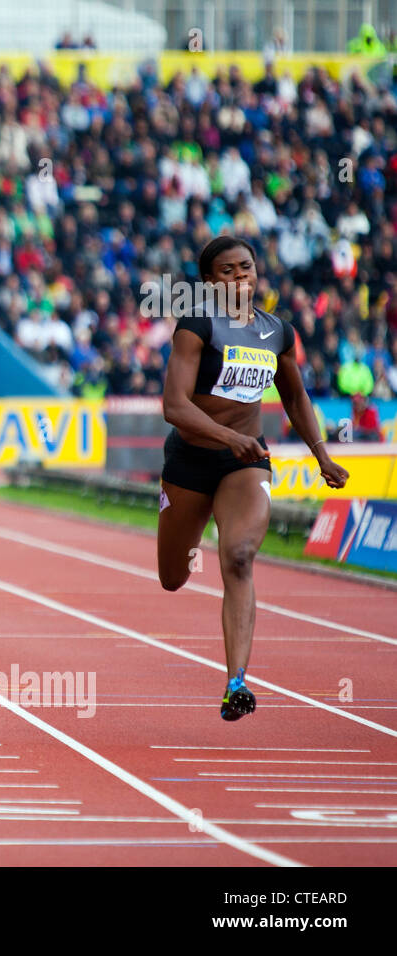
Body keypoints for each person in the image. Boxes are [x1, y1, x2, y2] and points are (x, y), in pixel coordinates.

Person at [157, 236, 347, 720]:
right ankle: (191, 534)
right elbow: (174, 406)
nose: (240, 277)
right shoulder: (196, 325)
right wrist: (224, 433)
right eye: (227, 271)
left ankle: (236, 682)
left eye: (247, 267)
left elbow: (296, 398)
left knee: (239, 557)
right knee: (173, 578)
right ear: (209, 281)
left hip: (246, 462)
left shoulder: (277, 332)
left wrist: (321, 454)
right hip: (190, 463)